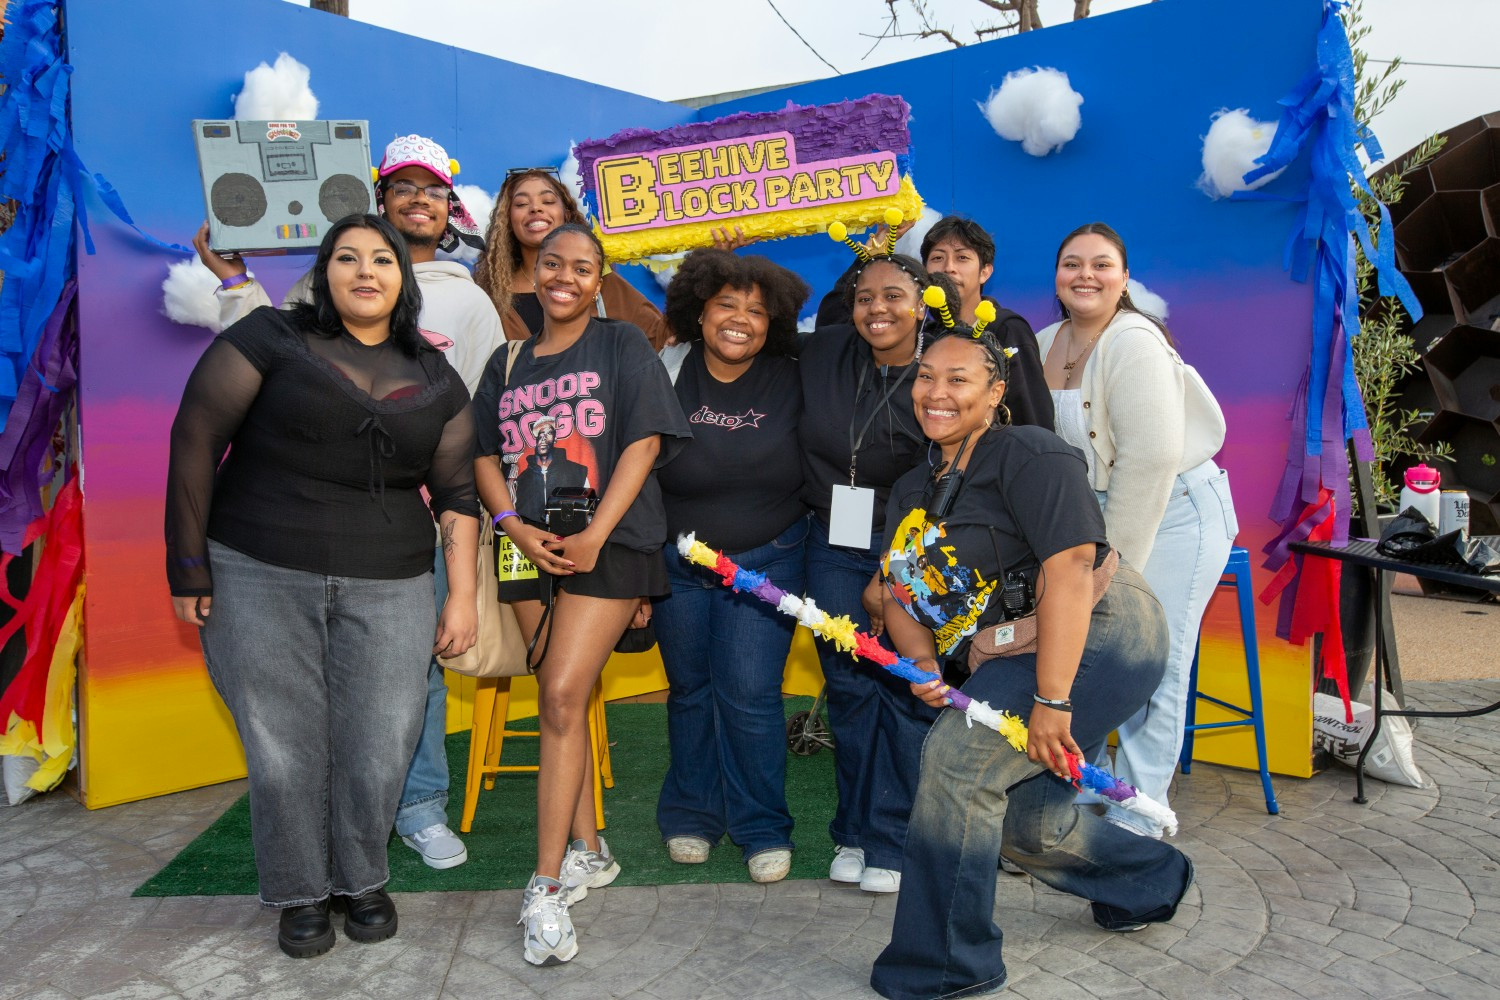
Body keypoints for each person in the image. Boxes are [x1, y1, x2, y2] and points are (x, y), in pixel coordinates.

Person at [166, 214, 480, 959]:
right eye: (347, 257)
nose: (365, 271)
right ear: (326, 272)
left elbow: (459, 493)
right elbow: (197, 436)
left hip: (393, 582)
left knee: (381, 739)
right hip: (256, 569)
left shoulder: (437, 377)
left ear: (404, 279)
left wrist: (461, 595)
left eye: (382, 259)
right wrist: (186, 564)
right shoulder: (272, 337)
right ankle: (300, 893)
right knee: (284, 748)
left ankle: (360, 880)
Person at [193, 134, 505, 872]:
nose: (418, 200)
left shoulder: (470, 298)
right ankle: (320, 842)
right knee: (303, 691)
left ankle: (419, 806)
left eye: (433, 190)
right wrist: (237, 281)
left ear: (447, 207)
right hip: (294, 530)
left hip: (415, 526)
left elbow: (479, 411)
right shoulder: (325, 285)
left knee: (410, 682)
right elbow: (268, 365)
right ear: (382, 200)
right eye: (404, 188)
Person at [867, 321, 1194, 1000]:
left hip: (1100, 634)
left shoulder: (1030, 453)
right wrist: (923, 664)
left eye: (959, 379)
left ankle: (947, 966)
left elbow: (1073, 569)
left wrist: (1051, 699)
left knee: (957, 764)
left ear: (994, 393)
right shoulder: (910, 490)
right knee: (1024, 823)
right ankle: (1149, 878)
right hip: (1012, 655)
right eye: (927, 376)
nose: (938, 391)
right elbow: (896, 591)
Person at [471, 223, 691, 966]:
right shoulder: (507, 360)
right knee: (559, 692)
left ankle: (542, 886)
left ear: (601, 280)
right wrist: (512, 526)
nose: (566, 277)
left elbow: (645, 442)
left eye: (584, 268)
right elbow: (481, 454)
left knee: (562, 697)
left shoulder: (622, 345)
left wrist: (597, 532)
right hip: (524, 543)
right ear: (534, 272)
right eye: (553, 264)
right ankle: (589, 850)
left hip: (608, 541)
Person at [1036, 222, 1236, 838]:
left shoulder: (1134, 343)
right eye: (1073, 264)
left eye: (1102, 264)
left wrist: (1113, 566)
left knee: (1157, 661)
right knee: (1090, 657)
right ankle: (1088, 789)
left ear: (1124, 279)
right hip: (1094, 519)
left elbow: (1148, 461)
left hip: (1173, 512)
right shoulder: (1045, 341)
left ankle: (1140, 812)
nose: (1086, 275)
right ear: (1057, 276)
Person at [652, 249, 811, 884]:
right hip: (678, 561)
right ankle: (692, 812)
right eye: (727, 303)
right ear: (699, 309)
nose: (741, 318)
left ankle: (761, 826)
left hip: (767, 560)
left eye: (756, 309)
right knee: (690, 691)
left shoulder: (795, 371)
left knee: (748, 695)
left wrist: (876, 243)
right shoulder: (666, 365)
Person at [800, 252, 952, 894]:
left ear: (922, 304)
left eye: (894, 296)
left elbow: (950, 477)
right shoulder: (826, 355)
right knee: (850, 690)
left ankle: (894, 838)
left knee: (901, 690)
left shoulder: (942, 372)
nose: (879, 309)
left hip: (913, 551)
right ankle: (854, 832)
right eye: (866, 297)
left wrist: (891, 572)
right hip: (834, 545)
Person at [473, 167, 668, 348]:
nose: (535, 208)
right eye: (521, 204)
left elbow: (658, 337)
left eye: (548, 201)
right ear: (507, 220)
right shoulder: (488, 294)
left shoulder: (599, 283)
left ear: (566, 215)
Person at [919, 215, 1052, 431]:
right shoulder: (924, 335)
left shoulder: (1006, 329)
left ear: (985, 272)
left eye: (962, 258)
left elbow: (1032, 417)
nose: (948, 268)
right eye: (937, 258)